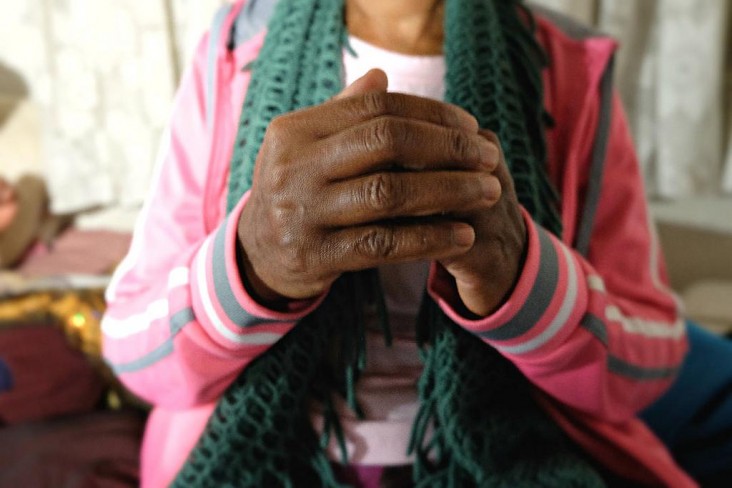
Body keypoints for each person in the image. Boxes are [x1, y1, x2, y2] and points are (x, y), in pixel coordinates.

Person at [102, 0, 703, 486]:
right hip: (258, 459)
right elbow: (133, 350)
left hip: (518, 455)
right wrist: (252, 264)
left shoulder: (570, 67)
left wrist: (522, 275)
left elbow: (647, 364)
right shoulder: (232, 50)